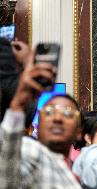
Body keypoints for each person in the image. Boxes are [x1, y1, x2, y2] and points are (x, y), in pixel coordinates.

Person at [0, 45, 82, 188]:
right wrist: (18, 106)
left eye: (68, 113)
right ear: (38, 123)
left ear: (79, 132)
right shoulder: (30, 150)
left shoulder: (70, 174)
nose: (57, 118)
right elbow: (7, 171)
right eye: (49, 112)